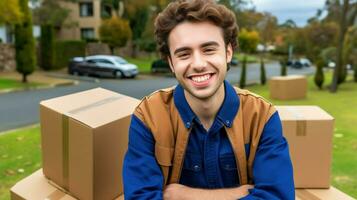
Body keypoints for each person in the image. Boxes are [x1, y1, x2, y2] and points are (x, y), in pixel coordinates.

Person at [123, 0, 295, 199]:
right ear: (171, 62)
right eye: (184, 53)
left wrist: (182, 195)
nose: (198, 64)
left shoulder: (262, 116)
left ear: (228, 52)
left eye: (208, 49)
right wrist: (236, 194)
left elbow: (277, 196)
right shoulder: (148, 116)